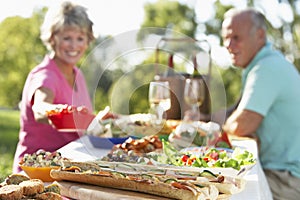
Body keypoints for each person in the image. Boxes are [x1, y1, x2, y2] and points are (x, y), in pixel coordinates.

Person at [221, 7, 300, 200]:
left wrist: (221, 127)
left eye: (236, 37)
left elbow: (241, 125)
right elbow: (236, 111)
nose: (228, 45)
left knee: (219, 191)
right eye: (225, 38)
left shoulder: (266, 68)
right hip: (280, 171)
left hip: (285, 179)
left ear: (260, 35)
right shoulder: (265, 64)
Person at [13, 1, 95, 173]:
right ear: (52, 38)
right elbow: (40, 108)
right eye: (67, 38)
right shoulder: (45, 75)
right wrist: (58, 110)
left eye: (80, 38)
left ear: (88, 41)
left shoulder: (77, 75)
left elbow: (83, 122)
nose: (74, 46)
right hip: (38, 171)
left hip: (70, 166)